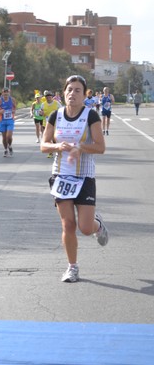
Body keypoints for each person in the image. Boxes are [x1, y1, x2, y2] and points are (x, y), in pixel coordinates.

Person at [40, 74, 109, 283]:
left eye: (77, 90)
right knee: (68, 225)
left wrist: (81, 147)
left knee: (85, 228)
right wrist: (57, 146)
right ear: (64, 93)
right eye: (69, 90)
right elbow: (44, 145)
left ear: (84, 94)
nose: (72, 94)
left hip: (84, 176)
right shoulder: (56, 116)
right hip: (61, 176)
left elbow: (100, 147)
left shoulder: (91, 116)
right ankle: (72, 267)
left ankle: (97, 224)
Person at [0, 87, 17, 157]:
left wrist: (13, 111)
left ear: (9, 93)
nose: (6, 93)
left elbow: (15, 107)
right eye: (4, 92)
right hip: (2, 120)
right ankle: (5, 150)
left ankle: (9, 146)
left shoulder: (12, 100)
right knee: (4, 137)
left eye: (7, 92)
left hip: (10, 120)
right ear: (2, 93)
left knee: (9, 136)